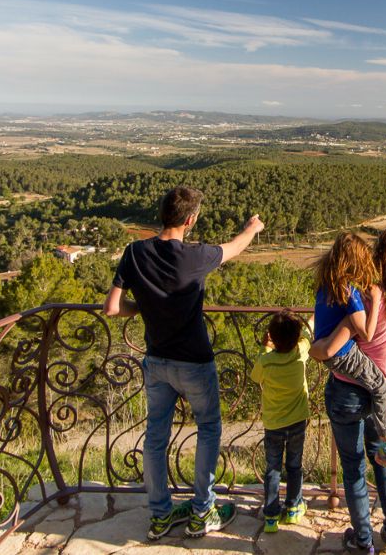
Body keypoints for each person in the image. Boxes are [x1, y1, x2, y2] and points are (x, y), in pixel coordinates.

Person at [103, 186, 264, 539]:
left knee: (156, 438)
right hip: (194, 361)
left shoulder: (134, 252)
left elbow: (113, 308)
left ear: (162, 214)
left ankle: (160, 515)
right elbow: (236, 247)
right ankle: (201, 511)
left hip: (157, 361)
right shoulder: (197, 256)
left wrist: (143, 308)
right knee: (207, 430)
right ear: (190, 220)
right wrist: (253, 227)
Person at [315, 228, 386, 555]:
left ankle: (363, 541)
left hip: (347, 389)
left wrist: (321, 348)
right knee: (385, 461)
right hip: (385, 389)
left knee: (353, 468)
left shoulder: (364, 293)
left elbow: (348, 336)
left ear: (377, 254)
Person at [309, 232, 386, 478]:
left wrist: (319, 345)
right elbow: (367, 334)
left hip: (333, 359)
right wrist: (375, 299)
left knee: (352, 467)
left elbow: (323, 334)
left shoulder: (327, 285)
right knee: (381, 388)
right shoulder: (352, 296)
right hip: (344, 355)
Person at [249, 309, 311, 533]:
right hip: (297, 422)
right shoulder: (300, 353)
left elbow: (255, 378)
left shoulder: (266, 361)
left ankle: (271, 516)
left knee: (273, 469)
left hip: (273, 424)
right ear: (296, 338)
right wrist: (302, 327)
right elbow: (307, 335)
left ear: (271, 337)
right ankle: (294, 508)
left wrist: (266, 347)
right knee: (294, 466)